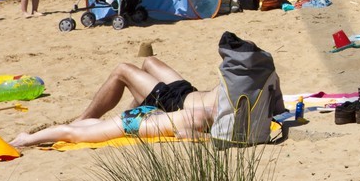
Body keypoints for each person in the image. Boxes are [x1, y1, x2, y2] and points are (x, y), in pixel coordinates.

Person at [12, 53, 222, 149]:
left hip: (148, 115)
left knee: (82, 130)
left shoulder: (205, 112)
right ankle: (26, 139)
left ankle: (31, 137)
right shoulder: (208, 116)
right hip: (142, 119)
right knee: (76, 133)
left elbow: (186, 132)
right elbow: (185, 134)